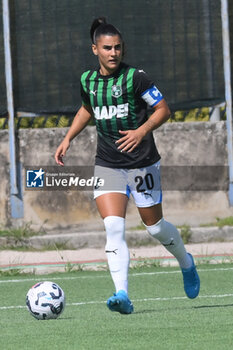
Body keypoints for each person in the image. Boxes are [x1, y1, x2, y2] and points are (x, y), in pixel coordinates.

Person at [55, 17, 200, 314]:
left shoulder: (136, 78)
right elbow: (87, 109)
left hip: (142, 164)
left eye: (118, 48)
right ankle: (122, 294)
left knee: (155, 228)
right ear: (94, 49)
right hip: (107, 163)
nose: (113, 53)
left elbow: (163, 110)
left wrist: (141, 131)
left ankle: (186, 262)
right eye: (107, 48)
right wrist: (68, 137)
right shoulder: (87, 80)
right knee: (113, 227)